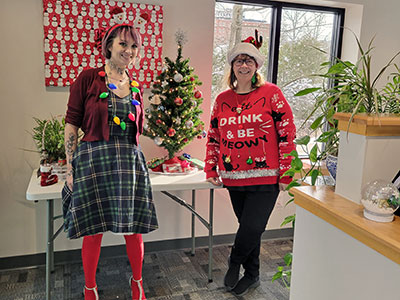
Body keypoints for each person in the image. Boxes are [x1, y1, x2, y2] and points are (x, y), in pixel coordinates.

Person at [62, 19, 158, 300]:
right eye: (123, 44)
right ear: (109, 46)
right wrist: (70, 167)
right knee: (93, 230)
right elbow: (71, 124)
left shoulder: (136, 87)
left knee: (133, 228)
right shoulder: (88, 78)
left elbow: (137, 129)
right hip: (93, 161)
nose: (129, 51)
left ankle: (137, 282)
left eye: (134, 46)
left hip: (128, 163)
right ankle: (89, 287)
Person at [204, 30, 296, 297]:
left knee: (253, 227)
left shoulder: (271, 93)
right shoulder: (222, 99)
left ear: (256, 66)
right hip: (234, 177)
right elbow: (213, 136)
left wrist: (287, 170)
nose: (243, 65)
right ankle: (253, 275)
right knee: (248, 229)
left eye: (248, 60)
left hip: (267, 176)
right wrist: (211, 167)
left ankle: (234, 262)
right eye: (238, 61)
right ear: (232, 67)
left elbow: (287, 131)